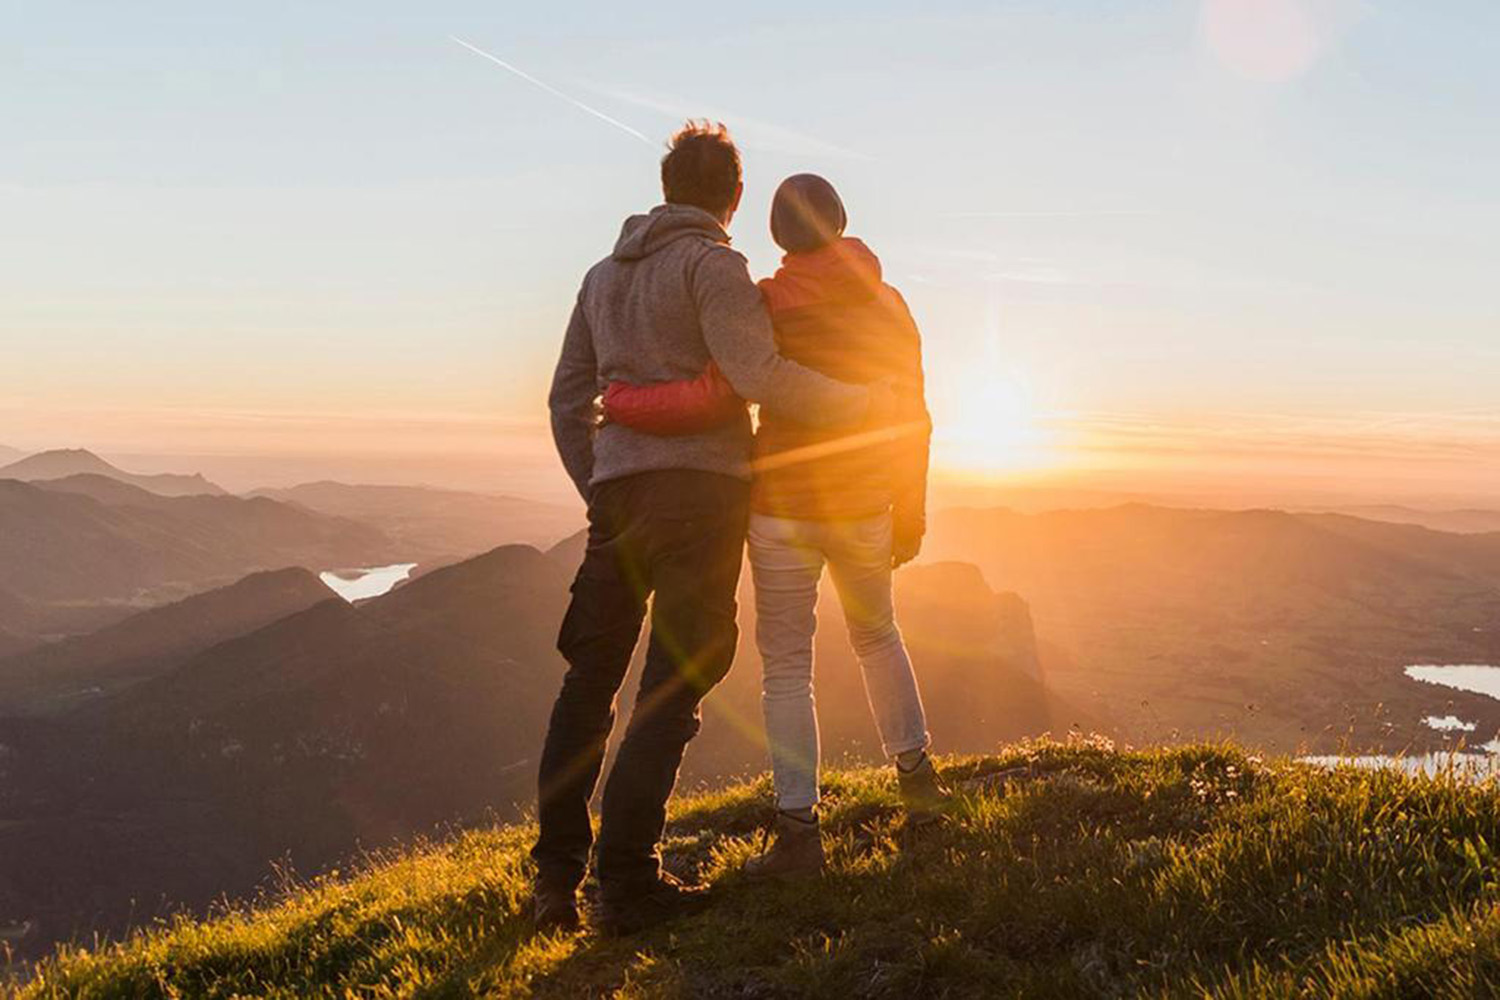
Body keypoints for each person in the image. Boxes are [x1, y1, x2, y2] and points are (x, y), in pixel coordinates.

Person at [534, 123, 885, 935]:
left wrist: (599, 482)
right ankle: (625, 879)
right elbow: (760, 377)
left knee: (587, 683)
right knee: (672, 683)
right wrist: (865, 406)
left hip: (618, 502)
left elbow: (565, 401)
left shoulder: (599, 279)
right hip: (702, 496)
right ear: (731, 196)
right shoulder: (714, 266)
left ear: (666, 189)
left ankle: (554, 881)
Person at [603, 173, 946, 882]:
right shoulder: (890, 306)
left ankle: (799, 837)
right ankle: (922, 797)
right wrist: (910, 507)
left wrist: (632, 404)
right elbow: (915, 415)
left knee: (787, 666)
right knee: (879, 637)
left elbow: (740, 383)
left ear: (778, 235)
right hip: (865, 504)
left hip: (782, 505)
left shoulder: (765, 302)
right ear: (843, 221)